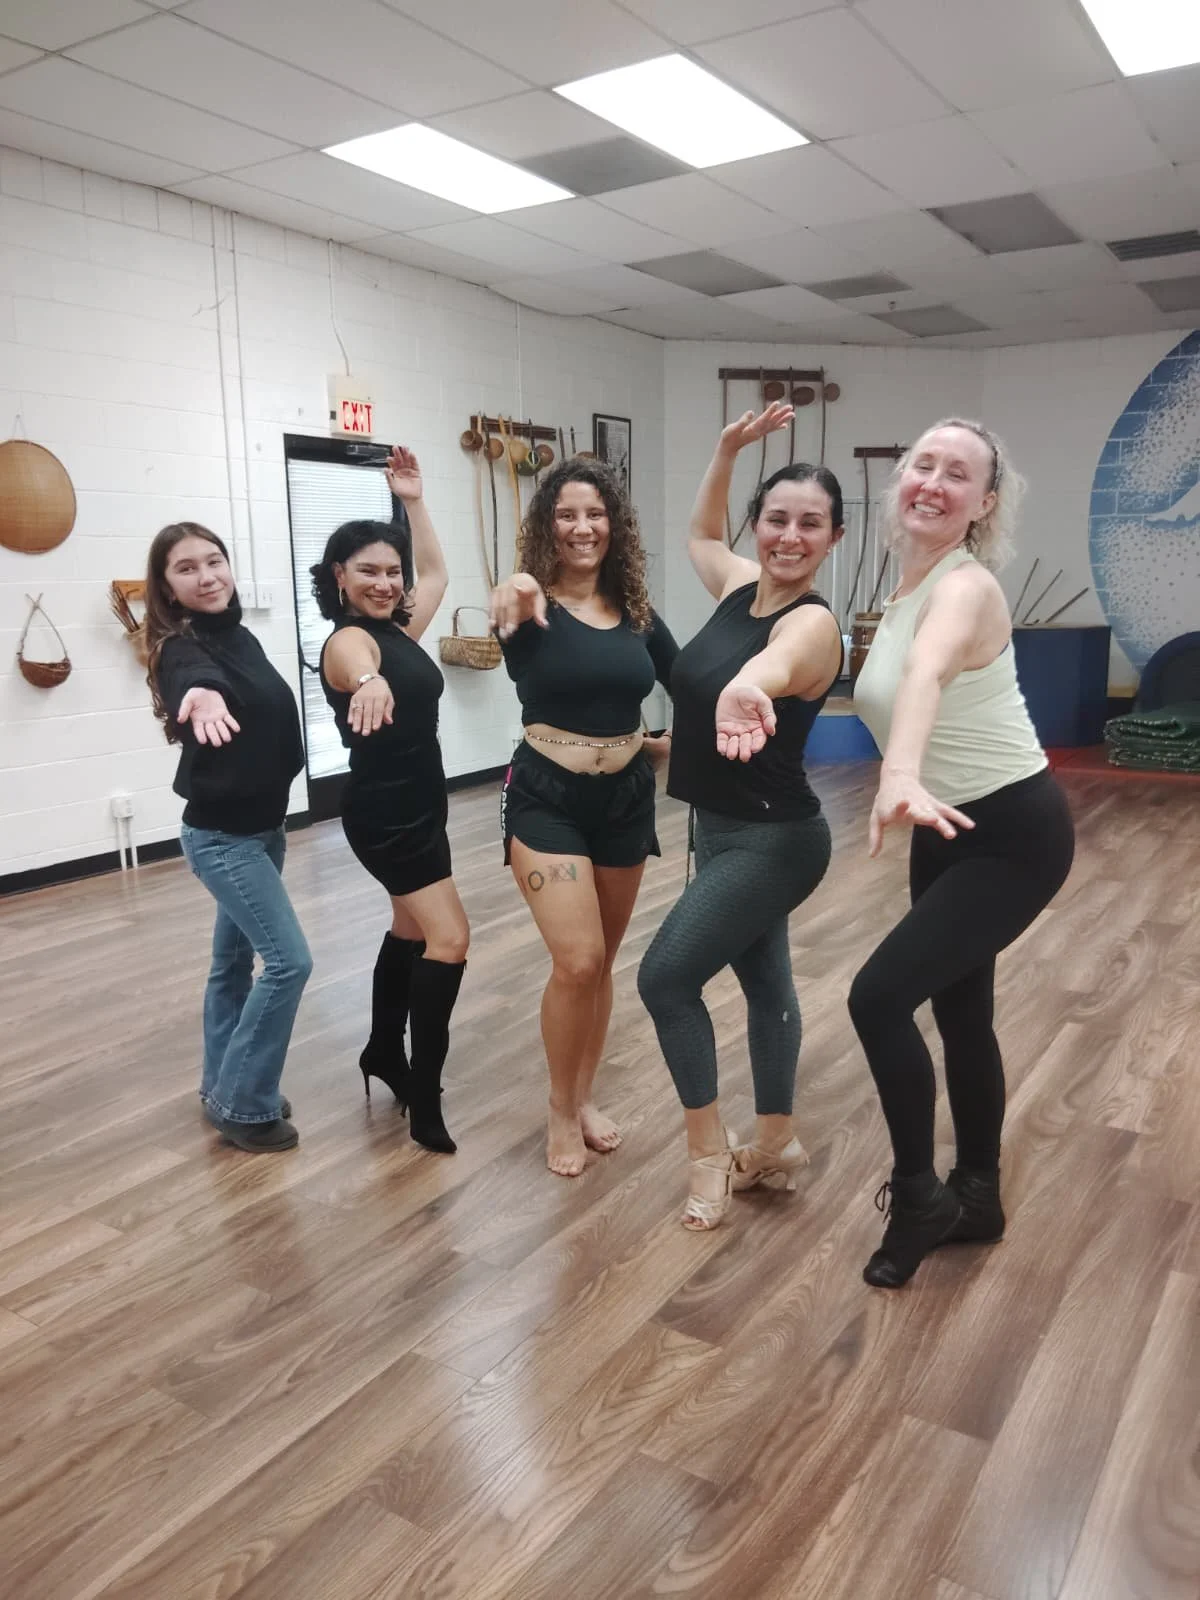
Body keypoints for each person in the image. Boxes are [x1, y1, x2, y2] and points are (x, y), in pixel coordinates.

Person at [849, 418, 1075, 1288]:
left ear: (983, 505)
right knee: (958, 1011)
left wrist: (898, 772)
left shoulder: (964, 588)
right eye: (923, 464)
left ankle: (920, 1197)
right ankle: (976, 1196)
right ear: (900, 478)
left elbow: (926, 676)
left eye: (958, 475)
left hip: (1012, 831)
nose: (933, 482)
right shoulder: (907, 589)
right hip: (949, 827)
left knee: (876, 999)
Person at [636, 404, 845, 1229]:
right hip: (719, 828)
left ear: (832, 538)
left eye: (811, 524)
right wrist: (725, 450)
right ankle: (779, 1143)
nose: (790, 536)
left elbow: (772, 667)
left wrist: (743, 687)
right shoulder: (736, 585)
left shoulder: (812, 624)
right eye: (777, 518)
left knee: (665, 978)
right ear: (758, 524)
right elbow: (697, 535)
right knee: (767, 985)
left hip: (775, 840)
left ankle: (707, 1153)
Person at [489, 457, 676, 1178]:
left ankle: (585, 1095)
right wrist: (520, 583)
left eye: (594, 513)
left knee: (602, 967)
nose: (581, 527)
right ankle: (559, 1110)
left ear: (615, 524)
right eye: (566, 515)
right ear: (547, 526)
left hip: (624, 796)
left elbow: (690, 678)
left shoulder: (637, 615)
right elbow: (515, 595)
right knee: (578, 960)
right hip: (546, 797)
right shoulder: (529, 611)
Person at [315, 446, 467, 1155]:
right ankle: (426, 1099)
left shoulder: (400, 631)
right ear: (339, 577)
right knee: (451, 939)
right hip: (388, 816)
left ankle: (382, 1050)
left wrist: (411, 499)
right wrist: (370, 682)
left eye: (390, 571)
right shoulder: (350, 642)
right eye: (368, 571)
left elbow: (436, 573)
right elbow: (354, 665)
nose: (384, 582)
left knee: (411, 932)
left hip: (422, 807)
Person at [144, 522, 310, 1153]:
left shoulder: (237, 636)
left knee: (232, 966)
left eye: (214, 561)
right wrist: (201, 697)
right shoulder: (178, 649)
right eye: (186, 568)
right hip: (223, 840)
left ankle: (223, 1083)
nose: (207, 575)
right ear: (167, 586)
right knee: (290, 962)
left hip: (264, 831)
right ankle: (243, 1105)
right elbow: (191, 676)